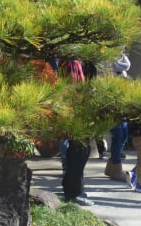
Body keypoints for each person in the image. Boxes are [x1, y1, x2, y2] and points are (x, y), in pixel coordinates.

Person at [60, 59, 94, 205]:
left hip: (74, 110)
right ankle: (73, 192)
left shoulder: (72, 62)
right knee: (79, 149)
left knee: (80, 150)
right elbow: (74, 89)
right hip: (74, 111)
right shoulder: (71, 62)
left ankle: (75, 189)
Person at [103, 53, 131, 183]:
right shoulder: (110, 66)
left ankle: (111, 167)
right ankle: (116, 169)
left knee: (124, 137)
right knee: (118, 138)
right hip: (114, 111)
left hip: (124, 110)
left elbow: (126, 65)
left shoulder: (122, 57)